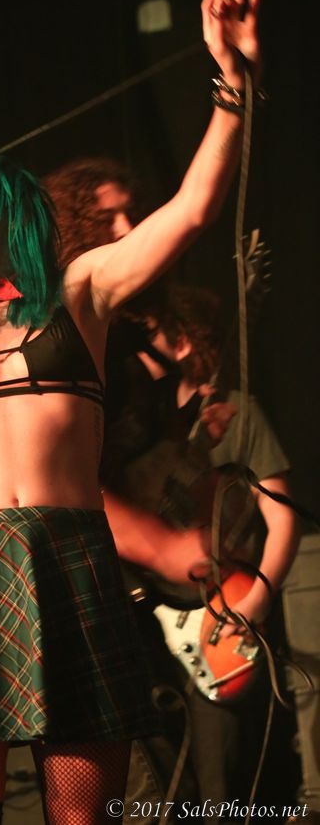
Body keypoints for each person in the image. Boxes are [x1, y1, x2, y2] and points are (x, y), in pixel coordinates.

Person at [0, 0, 261, 825]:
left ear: (6, 204)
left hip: (69, 554)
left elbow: (192, 212)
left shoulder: (78, 290)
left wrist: (232, 83)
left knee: (83, 815)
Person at [101, 284, 300, 813]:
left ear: (183, 341)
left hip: (218, 617)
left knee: (219, 788)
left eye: (153, 332)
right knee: (163, 787)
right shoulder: (144, 423)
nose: (139, 342)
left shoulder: (238, 412)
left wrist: (254, 602)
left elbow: (283, 520)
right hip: (152, 624)